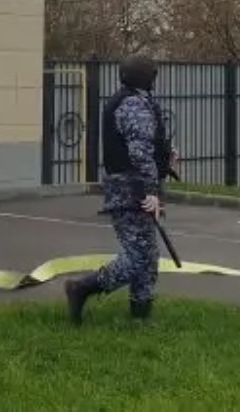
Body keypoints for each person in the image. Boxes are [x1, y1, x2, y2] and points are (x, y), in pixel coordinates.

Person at [65, 53, 174, 324]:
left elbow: (147, 143)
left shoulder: (134, 100)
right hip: (132, 189)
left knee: (147, 256)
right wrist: (151, 191)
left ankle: (140, 315)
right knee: (138, 257)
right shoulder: (133, 104)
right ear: (147, 77)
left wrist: (167, 154)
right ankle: (82, 288)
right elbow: (139, 153)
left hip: (132, 186)